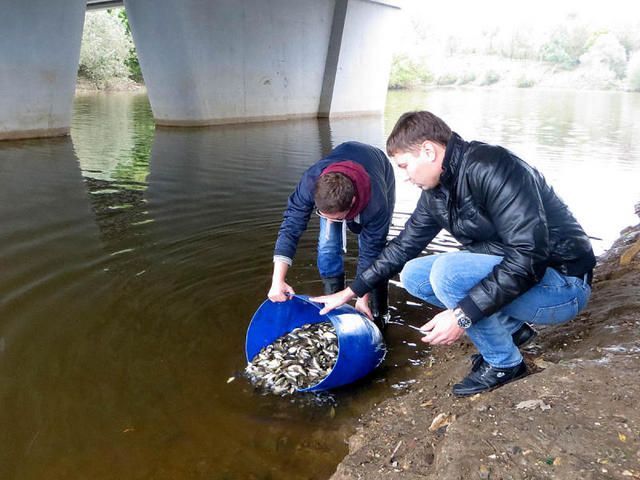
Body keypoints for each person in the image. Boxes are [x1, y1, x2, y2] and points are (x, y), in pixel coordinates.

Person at [311, 111, 596, 396]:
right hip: (528, 281)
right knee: (413, 275)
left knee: (448, 273)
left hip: (564, 285)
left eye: (405, 166)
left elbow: (528, 259)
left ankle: (504, 363)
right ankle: (511, 331)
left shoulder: (493, 167)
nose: (406, 177)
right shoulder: (437, 191)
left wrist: (462, 314)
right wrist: (351, 291)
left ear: (428, 151)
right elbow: (403, 246)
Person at [269, 141, 396, 330]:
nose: (330, 221)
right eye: (323, 215)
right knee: (327, 247)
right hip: (336, 178)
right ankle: (335, 308)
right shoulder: (311, 182)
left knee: (372, 250)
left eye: (336, 218)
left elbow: (371, 251)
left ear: (352, 203)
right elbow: (291, 227)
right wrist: (277, 280)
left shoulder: (377, 204)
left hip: (378, 169)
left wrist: (362, 297)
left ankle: (380, 313)